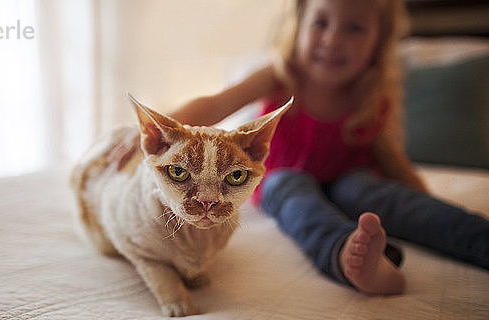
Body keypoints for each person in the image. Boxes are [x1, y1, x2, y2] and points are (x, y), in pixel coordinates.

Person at [169, 0, 489, 295]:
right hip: (283, 175)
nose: (333, 39)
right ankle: (345, 254)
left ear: (378, 43)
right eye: (321, 22)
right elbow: (214, 105)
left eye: (354, 28)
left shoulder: (369, 95)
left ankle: (477, 237)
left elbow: (393, 162)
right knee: (288, 188)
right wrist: (156, 130)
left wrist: (426, 205)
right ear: (299, 26)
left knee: (370, 191)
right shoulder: (280, 76)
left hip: (350, 178)